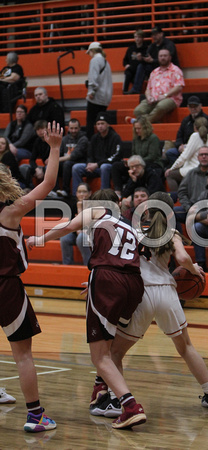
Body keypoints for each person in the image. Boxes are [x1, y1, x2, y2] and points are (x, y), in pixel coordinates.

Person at [92, 191, 208, 418]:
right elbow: (183, 259)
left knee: (115, 353)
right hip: (167, 293)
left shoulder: (133, 231)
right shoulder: (172, 232)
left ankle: (114, 402)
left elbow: (117, 261)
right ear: (171, 211)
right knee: (186, 347)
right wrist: (196, 271)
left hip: (141, 294)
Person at [27, 188, 146, 430]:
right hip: (134, 284)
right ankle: (106, 396)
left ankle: (131, 406)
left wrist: (40, 239)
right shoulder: (130, 226)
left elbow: (68, 227)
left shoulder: (97, 210)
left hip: (109, 281)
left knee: (99, 355)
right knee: (109, 349)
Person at [0, 121, 63, 432]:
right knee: (23, 355)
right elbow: (48, 183)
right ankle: (36, 416)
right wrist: (53, 148)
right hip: (7, 287)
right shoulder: (9, 213)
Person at [175, 146, 208, 232]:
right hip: (192, 208)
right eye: (201, 155)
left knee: (198, 227)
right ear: (198, 157)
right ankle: (179, 239)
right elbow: (182, 192)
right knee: (171, 213)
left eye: (206, 154)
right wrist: (188, 208)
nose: (204, 157)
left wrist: (205, 213)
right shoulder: (191, 173)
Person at [112, 115, 163, 197]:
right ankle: (118, 191)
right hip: (137, 163)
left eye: (139, 128)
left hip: (151, 163)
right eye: (135, 128)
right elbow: (133, 153)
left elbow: (152, 156)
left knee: (140, 167)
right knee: (116, 166)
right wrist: (129, 162)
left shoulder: (153, 138)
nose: (137, 130)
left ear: (145, 128)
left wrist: (137, 162)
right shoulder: (136, 139)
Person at [128, 48, 184, 124]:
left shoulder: (176, 70)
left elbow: (179, 86)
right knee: (138, 111)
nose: (163, 58)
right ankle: (153, 122)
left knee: (161, 106)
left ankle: (139, 122)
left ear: (170, 57)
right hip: (153, 99)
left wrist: (165, 95)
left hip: (170, 99)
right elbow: (148, 89)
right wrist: (148, 97)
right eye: (161, 56)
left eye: (165, 56)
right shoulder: (154, 72)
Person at [72, 112, 122, 195]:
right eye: (98, 124)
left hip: (108, 166)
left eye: (102, 123)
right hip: (95, 166)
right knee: (76, 167)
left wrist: (97, 164)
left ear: (108, 124)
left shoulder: (115, 137)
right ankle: (76, 195)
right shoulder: (94, 137)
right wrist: (89, 164)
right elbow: (89, 154)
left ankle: (104, 195)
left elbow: (115, 156)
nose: (100, 126)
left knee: (104, 167)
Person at [165, 117, 208, 192]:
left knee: (170, 175)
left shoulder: (195, 136)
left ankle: (177, 197)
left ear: (194, 127)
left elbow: (184, 156)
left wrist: (171, 168)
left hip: (194, 169)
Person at [127, 25, 179, 95]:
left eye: (156, 34)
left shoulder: (169, 44)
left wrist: (153, 61)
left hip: (168, 69)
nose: (154, 37)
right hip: (156, 68)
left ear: (161, 34)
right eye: (153, 35)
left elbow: (167, 60)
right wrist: (142, 59)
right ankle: (136, 89)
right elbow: (147, 56)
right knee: (141, 66)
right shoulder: (153, 46)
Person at [164, 95, 208, 166]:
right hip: (185, 148)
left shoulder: (206, 119)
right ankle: (179, 168)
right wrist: (180, 146)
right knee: (170, 153)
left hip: (199, 148)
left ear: (200, 106)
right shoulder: (185, 120)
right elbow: (179, 136)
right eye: (191, 107)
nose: (193, 109)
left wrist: (190, 147)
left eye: (195, 106)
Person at [19, 120, 58, 197]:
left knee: (48, 168)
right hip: (43, 166)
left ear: (47, 129)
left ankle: (54, 190)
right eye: (37, 129)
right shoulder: (37, 141)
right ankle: (29, 188)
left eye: (42, 128)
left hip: (55, 164)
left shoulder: (53, 139)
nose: (40, 131)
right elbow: (32, 159)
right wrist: (37, 168)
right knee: (24, 167)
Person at [85, 42, 113, 140]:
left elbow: (93, 77)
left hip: (96, 96)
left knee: (91, 122)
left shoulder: (95, 61)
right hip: (106, 97)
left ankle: (91, 143)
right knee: (102, 122)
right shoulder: (106, 62)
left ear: (92, 51)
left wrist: (91, 91)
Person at [60, 183, 92, 265]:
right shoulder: (74, 205)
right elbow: (72, 222)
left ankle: (88, 265)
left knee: (81, 238)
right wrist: (77, 230)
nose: (82, 194)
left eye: (84, 192)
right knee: (64, 238)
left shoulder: (93, 206)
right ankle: (67, 265)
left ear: (89, 193)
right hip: (78, 232)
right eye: (79, 192)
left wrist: (80, 208)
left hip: (90, 233)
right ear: (76, 193)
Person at [56, 119, 89, 198]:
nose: (73, 130)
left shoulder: (83, 139)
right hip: (65, 163)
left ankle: (66, 190)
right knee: (52, 166)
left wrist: (56, 160)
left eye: (76, 128)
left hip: (79, 161)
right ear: (68, 128)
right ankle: (54, 190)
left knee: (67, 164)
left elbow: (74, 155)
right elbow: (58, 153)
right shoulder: (64, 139)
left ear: (79, 128)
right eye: (71, 128)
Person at [122, 29, 148, 94]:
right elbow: (125, 60)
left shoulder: (146, 48)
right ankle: (124, 91)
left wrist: (142, 58)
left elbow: (147, 61)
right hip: (131, 69)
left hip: (139, 71)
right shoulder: (131, 48)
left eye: (139, 37)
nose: (137, 39)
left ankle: (136, 91)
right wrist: (126, 65)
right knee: (127, 73)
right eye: (135, 37)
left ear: (142, 38)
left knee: (137, 76)